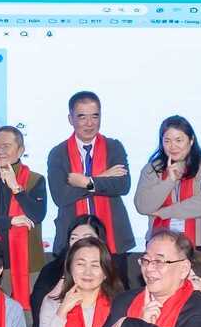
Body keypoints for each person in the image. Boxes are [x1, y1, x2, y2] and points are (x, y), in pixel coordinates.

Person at [47, 90, 135, 268]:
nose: (89, 123)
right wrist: (101, 178)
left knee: (116, 285)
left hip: (113, 238)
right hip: (70, 238)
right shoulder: (58, 153)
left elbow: (122, 185)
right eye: (82, 117)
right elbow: (61, 196)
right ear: (71, 119)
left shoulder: (114, 147)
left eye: (95, 116)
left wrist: (87, 182)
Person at [0, 125, 46, 301]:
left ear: (20, 150)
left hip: (27, 263)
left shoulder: (35, 180)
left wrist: (16, 188)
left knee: (26, 311)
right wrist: (10, 221)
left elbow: (37, 215)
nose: (0, 151)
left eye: (6, 146)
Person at [135, 115, 201, 248]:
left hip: (196, 245)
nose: (173, 146)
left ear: (191, 140)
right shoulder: (152, 169)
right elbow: (142, 206)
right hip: (157, 244)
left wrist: (163, 212)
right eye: (167, 141)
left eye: (179, 140)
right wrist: (169, 181)